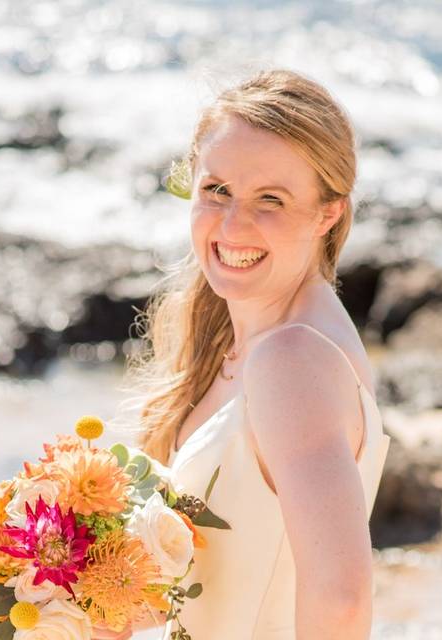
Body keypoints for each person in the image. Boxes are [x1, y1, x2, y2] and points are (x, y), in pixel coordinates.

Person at [98, 68, 390, 639]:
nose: (234, 225)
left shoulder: (292, 359)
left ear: (328, 212)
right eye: (218, 190)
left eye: (271, 200)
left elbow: (343, 601)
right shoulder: (245, 341)